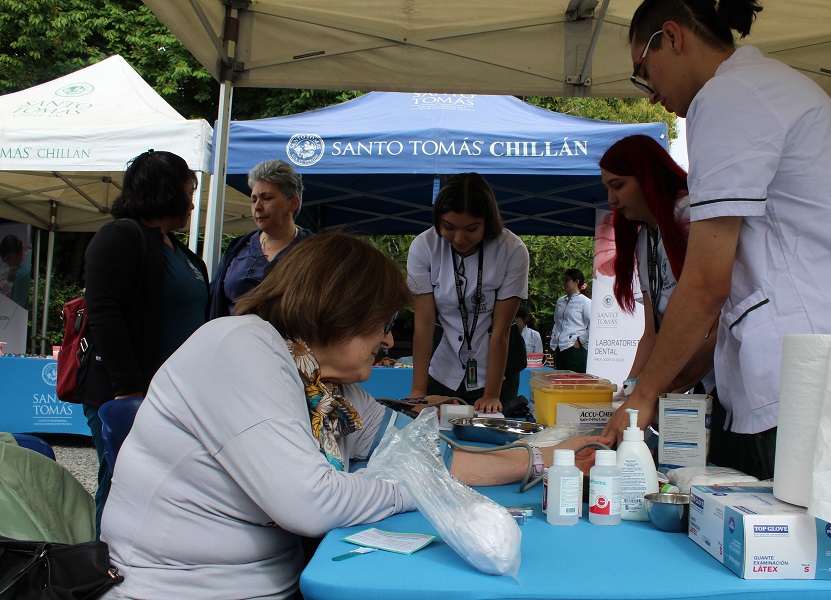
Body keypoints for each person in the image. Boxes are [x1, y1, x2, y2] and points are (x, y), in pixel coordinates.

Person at [100, 232, 608, 599]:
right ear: (336, 308)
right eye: (381, 324)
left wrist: (539, 459)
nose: (389, 340)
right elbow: (312, 505)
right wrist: (410, 487)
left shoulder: (319, 379)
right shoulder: (241, 347)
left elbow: (422, 452)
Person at [602, 0, 831, 480]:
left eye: (643, 71)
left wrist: (641, 399)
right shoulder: (774, 87)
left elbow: (705, 283)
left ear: (672, 37)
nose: (651, 93)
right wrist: (669, 379)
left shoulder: (728, 99)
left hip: (807, 376)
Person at [77, 150, 209, 537]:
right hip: (128, 396)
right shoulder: (120, 236)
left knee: (162, 491)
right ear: (167, 190)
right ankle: (101, 566)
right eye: (188, 190)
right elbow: (105, 315)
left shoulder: (182, 253)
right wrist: (128, 391)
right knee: (121, 484)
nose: (190, 201)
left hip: (174, 398)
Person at [599, 134, 715, 394]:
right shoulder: (645, 238)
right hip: (692, 379)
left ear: (648, 176)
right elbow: (652, 331)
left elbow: (716, 311)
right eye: (607, 188)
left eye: (618, 185)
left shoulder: (690, 214)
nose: (611, 200)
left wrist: (651, 390)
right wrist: (628, 390)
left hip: (720, 375)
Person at [406, 173, 529, 414]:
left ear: (488, 221)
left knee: (490, 435)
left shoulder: (512, 250)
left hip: (498, 371)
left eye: (472, 228)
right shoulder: (424, 247)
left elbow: (502, 328)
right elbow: (424, 322)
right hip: (442, 364)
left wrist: (492, 394)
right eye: (449, 227)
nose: (460, 238)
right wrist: (418, 392)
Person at [209, 159, 313, 318]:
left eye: (267, 198)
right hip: (235, 340)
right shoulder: (237, 249)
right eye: (254, 199)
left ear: (292, 203)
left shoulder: (314, 251)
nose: (257, 206)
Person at [549, 268, 591, 373]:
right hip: (558, 347)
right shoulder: (560, 301)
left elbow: (594, 325)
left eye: (567, 280)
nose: (564, 283)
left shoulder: (585, 301)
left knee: (576, 383)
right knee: (560, 382)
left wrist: (579, 341)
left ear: (576, 282)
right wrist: (554, 339)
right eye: (563, 280)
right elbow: (556, 322)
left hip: (574, 348)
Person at [0, 234, 31, 308]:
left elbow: (16, 307)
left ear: (12, 255)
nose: (8, 264)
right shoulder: (29, 255)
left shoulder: (22, 274)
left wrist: (7, 291)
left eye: (7, 261)